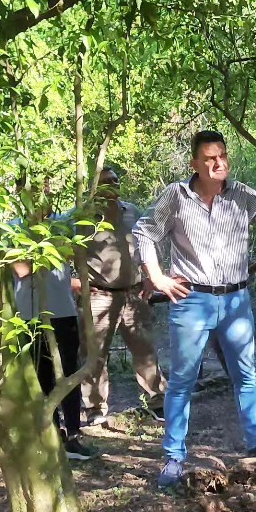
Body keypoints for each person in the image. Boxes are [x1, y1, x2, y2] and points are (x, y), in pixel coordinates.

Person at [135, 129, 256, 488]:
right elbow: (144, 232)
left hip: (236, 301)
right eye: (210, 158)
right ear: (195, 163)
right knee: (182, 381)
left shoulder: (241, 195)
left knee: (246, 376)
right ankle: (174, 458)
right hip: (192, 300)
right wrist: (156, 276)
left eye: (222, 155)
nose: (219, 163)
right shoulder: (176, 196)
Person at [79, 165, 166, 429]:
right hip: (98, 295)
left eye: (116, 180)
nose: (114, 185)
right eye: (107, 181)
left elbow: (147, 245)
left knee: (144, 348)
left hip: (134, 294)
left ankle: (157, 401)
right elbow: (65, 252)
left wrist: (150, 277)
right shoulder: (82, 217)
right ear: (95, 187)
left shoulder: (132, 212)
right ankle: (95, 409)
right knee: (94, 354)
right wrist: (75, 283)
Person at [11, 227, 99, 463]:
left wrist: (56, 251)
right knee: (42, 377)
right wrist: (56, 251)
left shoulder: (63, 225)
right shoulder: (15, 228)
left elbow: (76, 253)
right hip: (31, 315)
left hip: (63, 311)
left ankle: (73, 435)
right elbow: (21, 269)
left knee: (69, 373)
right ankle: (50, 433)